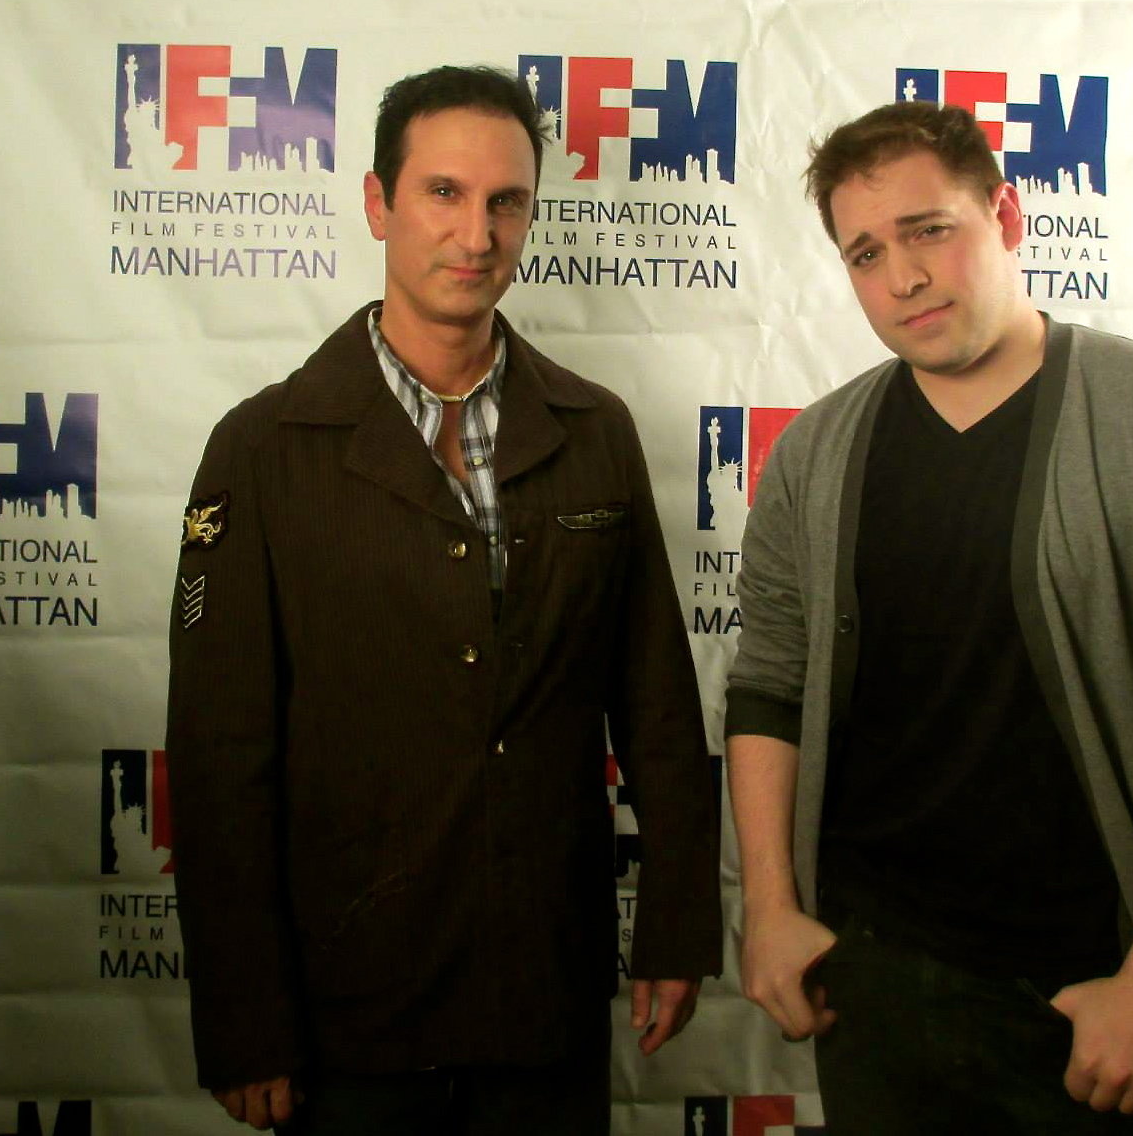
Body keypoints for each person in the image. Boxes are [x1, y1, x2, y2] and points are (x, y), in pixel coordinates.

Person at [724, 102, 1133, 1134]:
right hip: (865, 978)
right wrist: (772, 909)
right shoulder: (819, 452)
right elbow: (768, 685)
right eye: (866, 252)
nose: (903, 276)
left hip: (1087, 995)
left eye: (929, 229)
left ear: (1006, 216)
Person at [165, 65, 721, 1136]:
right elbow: (220, 753)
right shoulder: (263, 447)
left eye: (506, 201)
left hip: (542, 995)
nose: (477, 233)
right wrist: (244, 1017)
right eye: (443, 193)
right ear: (379, 202)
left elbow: (654, 703)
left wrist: (676, 929)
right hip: (346, 1008)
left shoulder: (593, 429)